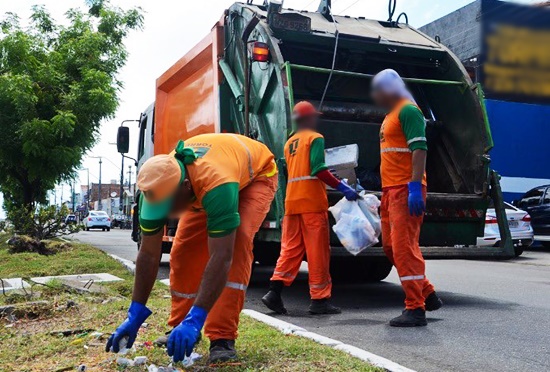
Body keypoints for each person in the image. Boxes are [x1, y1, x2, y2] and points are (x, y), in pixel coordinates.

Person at [106, 133, 278, 362]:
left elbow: (221, 256)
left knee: (236, 244)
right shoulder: (156, 187)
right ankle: (180, 326)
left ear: (185, 187)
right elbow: (148, 254)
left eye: (169, 206)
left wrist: (197, 317)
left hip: (256, 176)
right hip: (204, 183)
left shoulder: (216, 184)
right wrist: (135, 311)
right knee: (182, 252)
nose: (165, 214)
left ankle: (222, 337)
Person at [261, 101, 359, 315]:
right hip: (312, 204)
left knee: (290, 250)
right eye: (313, 116)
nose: (316, 119)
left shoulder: (289, 143)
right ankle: (319, 300)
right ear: (306, 119)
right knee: (318, 253)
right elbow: (318, 169)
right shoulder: (315, 138)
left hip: (292, 203)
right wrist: (343, 186)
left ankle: (274, 292)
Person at [371, 69, 443, 327]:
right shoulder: (391, 114)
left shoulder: (409, 111)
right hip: (391, 190)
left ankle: (415, 308)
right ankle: (426, 292)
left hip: (405, 189)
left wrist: (414, 185)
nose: (376, 94)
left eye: (380, 88)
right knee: (391, 247)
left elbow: (419, 148)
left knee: (404, 248)